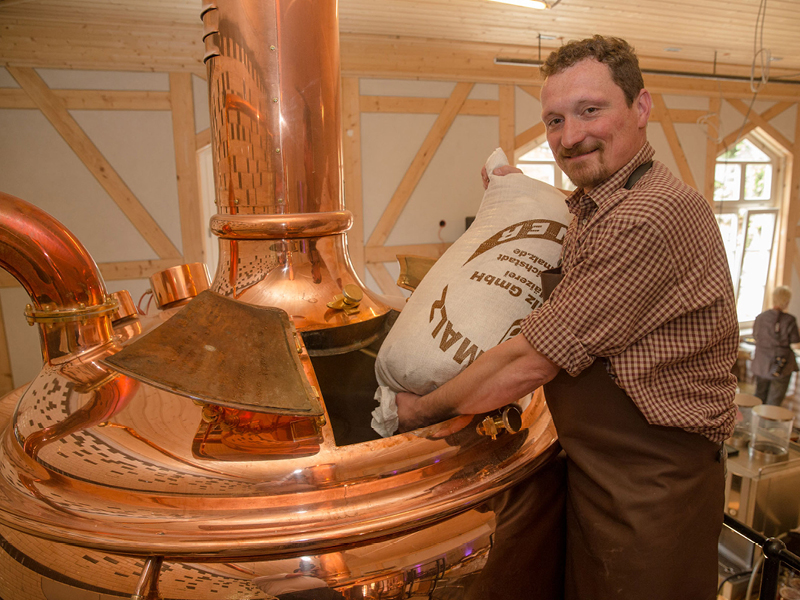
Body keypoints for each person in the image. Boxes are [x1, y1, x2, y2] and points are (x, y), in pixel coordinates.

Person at [396, 35, 738, 600]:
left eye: (590, 110)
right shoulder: (604, 200)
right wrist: (517, 192)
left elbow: (529, 362)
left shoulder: (650, 216)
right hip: (598, 472)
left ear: (641, 107)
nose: (570, 136)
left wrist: (423, 408)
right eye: (555, 120)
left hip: (652, 489)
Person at [752, 285, 800, 406]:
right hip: (781, 365)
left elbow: (756, 337)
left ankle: (756, 418)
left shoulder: (761, 317)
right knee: (774, 402)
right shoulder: (789, 320)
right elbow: (795, 345)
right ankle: (767, 419)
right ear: (787, 301)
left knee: (759, 397)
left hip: (762, 362)